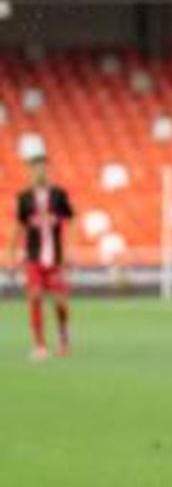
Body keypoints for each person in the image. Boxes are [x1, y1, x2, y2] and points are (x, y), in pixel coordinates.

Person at [12, 152, 73, 361]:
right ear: (30, 172)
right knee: (35, 296)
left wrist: (69, 250)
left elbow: (69, 222)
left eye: (43, 168)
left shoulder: (59, 195)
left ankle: (63, 334)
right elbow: (18, 227)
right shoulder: (24, 198)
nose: (40, 172)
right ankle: (39, 345)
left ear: (49, 170)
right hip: (33, 256)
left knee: (59, 302)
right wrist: (12, 253)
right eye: (35, 168)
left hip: (55, 257)